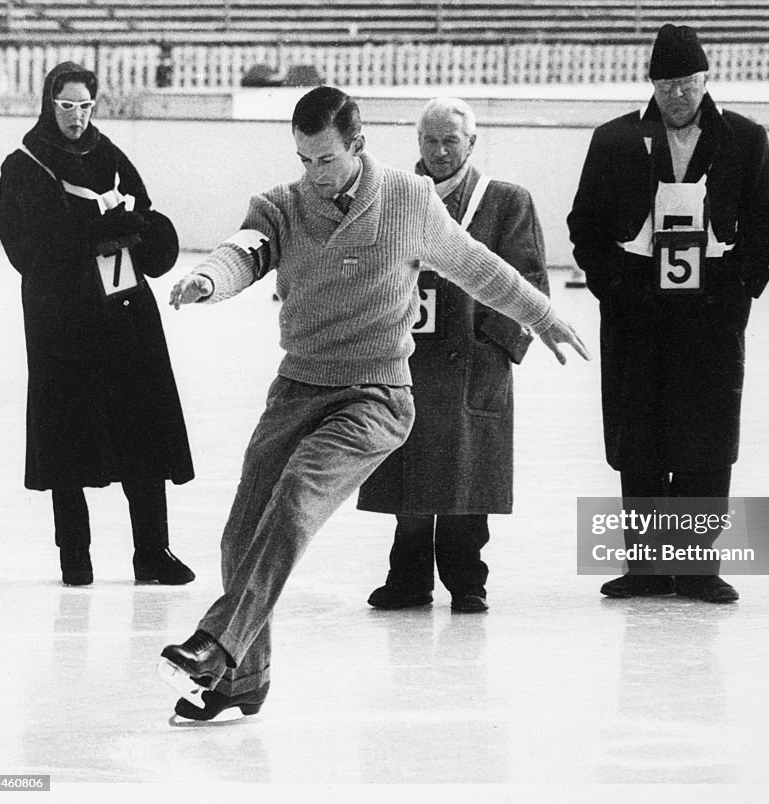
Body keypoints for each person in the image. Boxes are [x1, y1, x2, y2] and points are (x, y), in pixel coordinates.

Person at [157, 86, 589, 721]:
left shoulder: (407, 201)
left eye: (324, 160)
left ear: (357, 146)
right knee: (241, 530)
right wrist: (208, 279)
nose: (313, 175)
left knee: (300, 493)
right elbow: (245, 248)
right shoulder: (282, 204)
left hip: (378, 394)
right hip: (299, 386)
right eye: (303, 160)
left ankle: (219, 641)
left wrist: (543, 314)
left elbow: (478, 265)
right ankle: (243, 680)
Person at [567, 23, 769, 604]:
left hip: (710, 314)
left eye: (686, 83)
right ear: (651, 85)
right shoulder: (614, 141)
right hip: (638, 312)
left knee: (706, 438)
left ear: (706, 80)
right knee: (641, 436)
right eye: (666, 84)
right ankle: (649, 568)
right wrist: (613, 285)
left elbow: (762, 221)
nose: (677, 95)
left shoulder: (744, 139)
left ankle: (700, 568)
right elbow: (583, 223)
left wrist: (739, 293)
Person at [0, 62, 195, 587]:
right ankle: (75, 557)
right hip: (61, 323)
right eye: (66, 106)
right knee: (66, 438)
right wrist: (94, 235)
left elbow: (144, 216)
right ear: (48, 103)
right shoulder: (23, 165)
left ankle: (153, 552)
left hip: (126, 314)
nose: (77, 117)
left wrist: (145, 232)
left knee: (143, 430)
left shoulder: (110, 156)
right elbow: (24, 249)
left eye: (85, 106)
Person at [357, 98, 550, 614]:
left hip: (470, 361)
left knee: (468, 480)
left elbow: (528, 279)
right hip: (406, 357)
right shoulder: (392, 197)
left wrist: (493, 346)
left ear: (471, 143)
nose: (440, 152)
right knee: (410, 477)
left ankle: (468, 580)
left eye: (450, 141)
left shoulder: (506, 201)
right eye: (430, 140)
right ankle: (408, 578)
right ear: (417, 142)